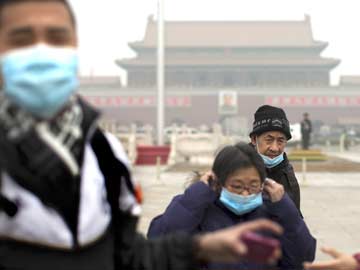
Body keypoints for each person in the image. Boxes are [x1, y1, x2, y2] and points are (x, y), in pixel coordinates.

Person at [0, 1, 284, 269]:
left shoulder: (104, 153)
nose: (42, 52)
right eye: (22, 38)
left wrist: (200, 247)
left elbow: (126, 254)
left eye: (57, 37)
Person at [148, 142, 316, 269]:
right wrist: (196, 196)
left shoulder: (273, 212)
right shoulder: (198, 207)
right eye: (237, 186)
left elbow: (302, 259)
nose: (245, 193)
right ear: (218, 182)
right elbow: (160, 244)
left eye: (253, 185)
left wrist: (286, 209)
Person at [250, 105, 301, 211]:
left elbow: (296, 219)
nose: (275, 148)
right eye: (269, 140)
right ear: (254, 139)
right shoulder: (236, 169)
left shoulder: (287, 172)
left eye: (280, 141)